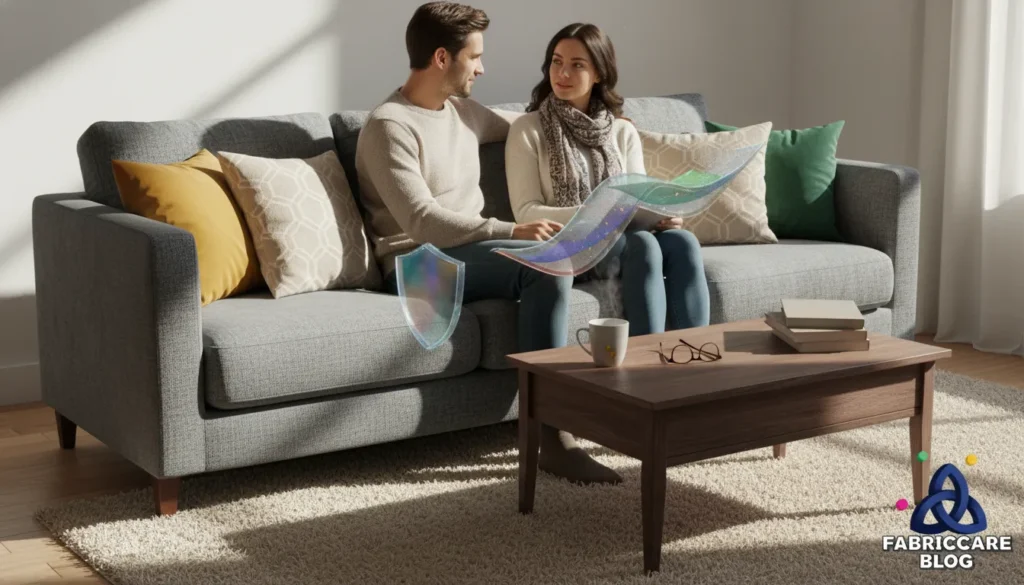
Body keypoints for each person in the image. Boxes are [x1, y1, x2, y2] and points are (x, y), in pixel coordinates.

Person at [356, 3, 622, 485]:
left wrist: (611, 126)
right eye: (474, 57)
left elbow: (531, 124)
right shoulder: (389, 126)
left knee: (588, 254)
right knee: (544, 264)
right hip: (418, 264)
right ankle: (549, 438)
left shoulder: (462, 112)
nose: (482, 68)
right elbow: (422, 221)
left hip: (466, 254)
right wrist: (509, 229)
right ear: (442, 58)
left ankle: (631, 400)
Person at [505, 23, 711, 335]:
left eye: (577, 65)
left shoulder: (621, 131)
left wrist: (661, 215)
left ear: (599, 73)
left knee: (682, 242)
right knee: (641, 243)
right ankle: (645, 357)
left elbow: (639, 197)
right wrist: (599, 214)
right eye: (557, 62)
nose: (563, 73)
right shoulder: (528, 129)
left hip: (620, 238)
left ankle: (695, 351)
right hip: (570, 245)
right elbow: (526, 212)